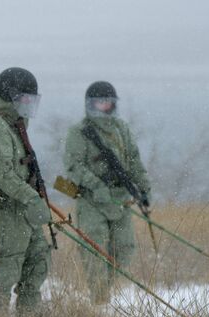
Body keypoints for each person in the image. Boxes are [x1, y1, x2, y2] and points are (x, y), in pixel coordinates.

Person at [63, 81, 151, 305]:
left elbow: (133, 160)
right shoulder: (79, 132)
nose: (104, 106)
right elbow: (74, 166)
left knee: (125, 248)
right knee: (95, 249)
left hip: (121, 198)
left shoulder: (122, 129)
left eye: (108, 102)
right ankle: (100, 299)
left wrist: (143, 188)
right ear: (90, 104)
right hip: (92, 201)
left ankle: (105, 290)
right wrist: (96, 186)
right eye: (99, 102)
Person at [0, 67, 52, 317]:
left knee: (37, 263)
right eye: (26, 99)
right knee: (5, 270)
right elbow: (2, 174)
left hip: (24, 209)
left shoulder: (14, 123)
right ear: (11, 95)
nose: (29, 105)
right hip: (8, 209)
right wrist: (31, 198)